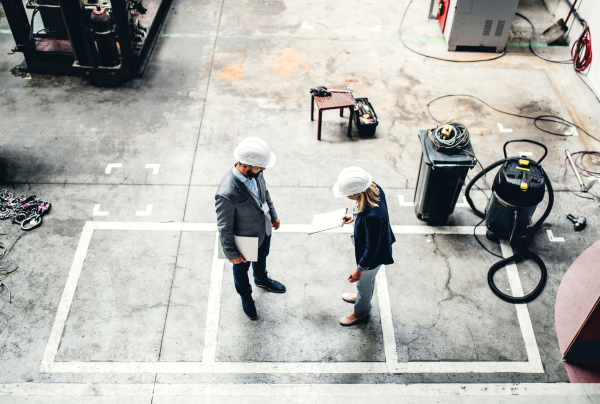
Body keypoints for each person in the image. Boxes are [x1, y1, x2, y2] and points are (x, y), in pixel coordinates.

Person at [215, 137, 286, 321]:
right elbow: (224, 228)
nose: (263, 170)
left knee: (262, 257)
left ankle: (261, 279)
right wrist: (231, 254)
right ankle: (246, 296)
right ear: (245, 164)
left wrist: (273, 214)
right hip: (244, 241)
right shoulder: (226, 193)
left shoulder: (256, 173)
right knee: (240, 270)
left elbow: (264, 193)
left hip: (263, 231)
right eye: (260, 167)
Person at [333, 167, 395, 326]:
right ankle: (363, 297)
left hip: (373, 258)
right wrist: (354, 217)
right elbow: (363, 209)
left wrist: (359, 270)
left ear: (358, 193)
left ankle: (360, 311)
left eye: (347, 194)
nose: (346, 196)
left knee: (363, 283)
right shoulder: (373, 187)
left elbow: (371, 250)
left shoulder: (372, 217)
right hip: (377, 248)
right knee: (366, 284)